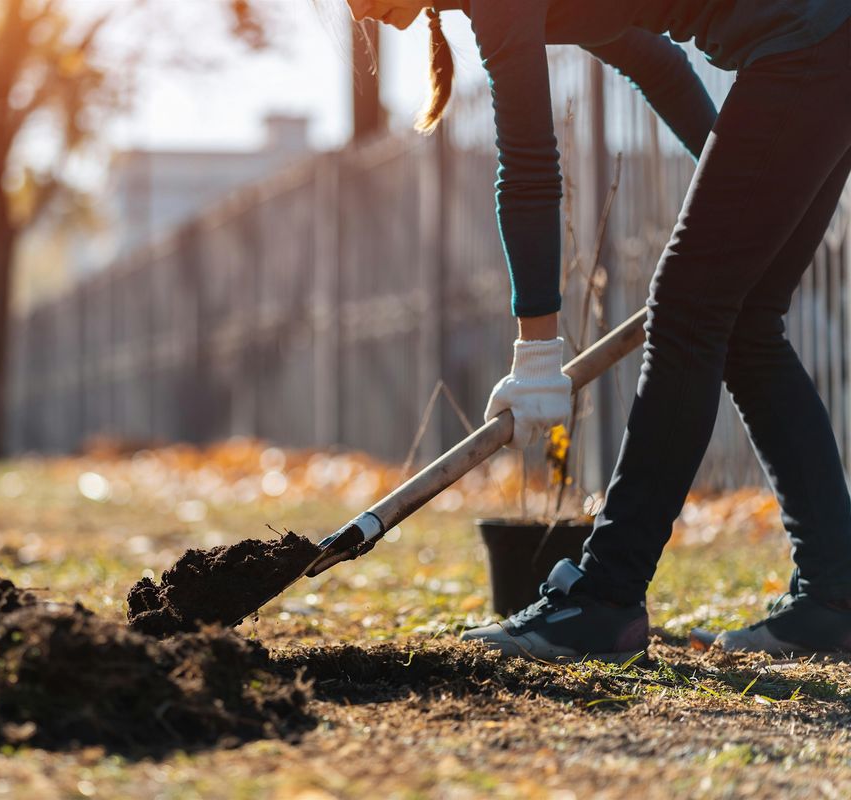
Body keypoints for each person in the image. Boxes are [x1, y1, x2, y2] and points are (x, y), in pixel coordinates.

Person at [342, 1, 851, 658]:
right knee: (744, 324)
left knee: (688, 315)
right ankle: (834, 597)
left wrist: (536, 354)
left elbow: (527, 165)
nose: (353, 8)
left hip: (810, 40)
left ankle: (604, 597)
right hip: (821, 42)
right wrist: (747, 188)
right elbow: (653, 59)